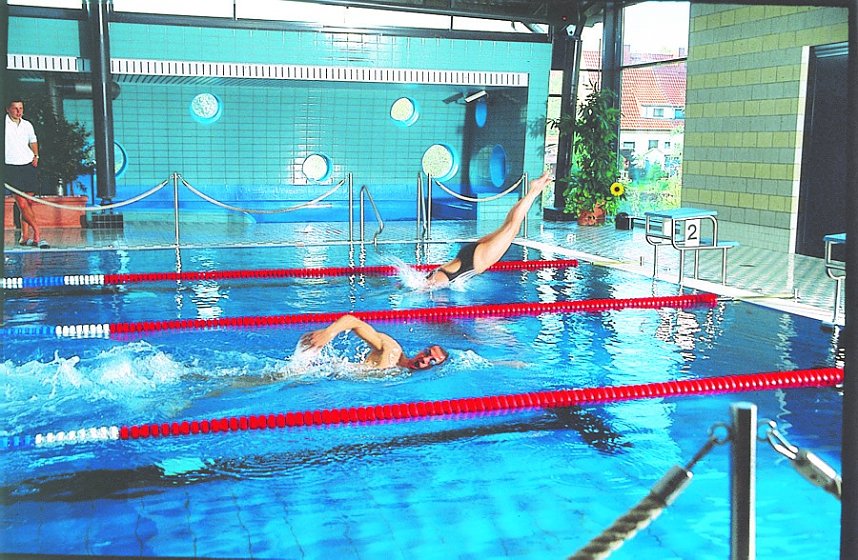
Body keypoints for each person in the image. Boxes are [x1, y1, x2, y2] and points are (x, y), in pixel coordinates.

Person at [425, 170, 552, 287]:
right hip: (469, 257)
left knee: (512, 227)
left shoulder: (434, 281)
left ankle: (533, 191)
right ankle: (534, 191)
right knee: (509, 226)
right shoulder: (434, 276)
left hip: (475, 260)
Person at [300, 314, 448, 371]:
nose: (425, 359)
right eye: (427, 353)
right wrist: (328, 333)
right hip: (319, 371)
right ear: (422, 350)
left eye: (432, 361)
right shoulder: (391, 350)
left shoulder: (400, 376)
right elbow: (354, 322)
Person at [5, 98, 48, 248]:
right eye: (15, 108)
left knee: (28, 203)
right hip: (10, 166)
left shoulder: (27, 124)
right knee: (22, 203)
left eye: (21, 108)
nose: (19, 111)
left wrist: (36, 156)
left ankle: (24, 237)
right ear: (8, 109)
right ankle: (38, 233)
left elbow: (33, 140)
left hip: (28, 164)